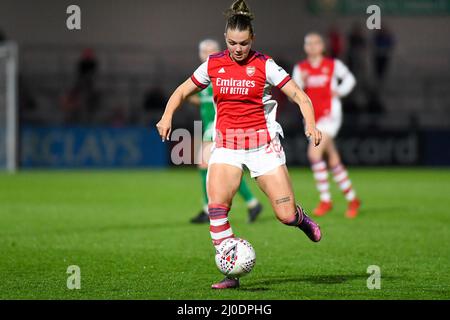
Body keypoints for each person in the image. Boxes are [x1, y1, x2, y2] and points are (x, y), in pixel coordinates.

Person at [156, 0, 322, 289]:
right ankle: (232, 273)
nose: (237, 49)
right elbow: (183, 90)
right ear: (225, 39)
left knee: (284, 215)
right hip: (228, 146)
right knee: (217, 207)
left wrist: (310, 123)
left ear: (252, 39)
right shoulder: (213, 64)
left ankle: (299, 218)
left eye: (243, 43)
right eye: (232, 42)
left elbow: (299, 96)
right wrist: (167, 115)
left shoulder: (265, 65)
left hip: (263, 147)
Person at [189, 38, 263, 224]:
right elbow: (196, 97)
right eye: (204, 51)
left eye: (211, 50)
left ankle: (209, 209)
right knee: (226, 168)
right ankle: (252, 203)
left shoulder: (221, 74)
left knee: (206, 165)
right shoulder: (203, 76)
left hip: (219, 126)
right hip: (209, 125)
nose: (207, 54)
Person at [292, 32, 361, 218]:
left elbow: (350, 79)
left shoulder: (332, 65)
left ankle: (325, 200)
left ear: (322, 46)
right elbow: (294, 94)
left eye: (316, 43)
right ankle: (353, 199)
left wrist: (338, 91)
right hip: (312, 118)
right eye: (309, 43)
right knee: (333, 159)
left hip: (330, 116)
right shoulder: (301, 68)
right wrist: (302, 81)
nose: (312, 46)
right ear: (305, 47)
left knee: (314, 153)